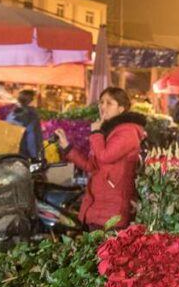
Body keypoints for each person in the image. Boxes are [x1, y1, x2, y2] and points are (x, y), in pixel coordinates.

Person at [55, 86, 146, 229]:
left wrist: (96, 132)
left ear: (121, 108)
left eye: (109, 103)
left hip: (113, 208)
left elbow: (105, 157)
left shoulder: (128, 131)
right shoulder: (108, 130)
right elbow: (90, 166)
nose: (103, 107)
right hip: (98, 204)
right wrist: (67, 147)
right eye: (101, 102)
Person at [6, 89, 44, 161]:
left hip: (10, 155)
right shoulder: (31, 116)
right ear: (32, 101)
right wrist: (36, 158)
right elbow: (32, 138)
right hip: (25, 156)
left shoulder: (11, 114)